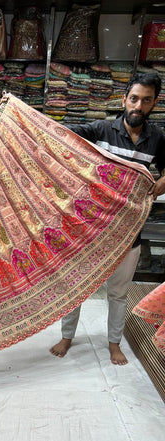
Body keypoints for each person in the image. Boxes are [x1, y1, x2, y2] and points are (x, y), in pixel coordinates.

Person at [50, 73, 165, 365]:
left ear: (154, 103)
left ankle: (114, 344)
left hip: (130, 232)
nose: (139, 106)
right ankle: (66, 337)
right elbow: (56, 131)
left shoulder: (158, 139)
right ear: (124, 99)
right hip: (92, 230)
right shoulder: (101, 130)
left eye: (146, 100)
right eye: (134, 98)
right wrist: (18, 113)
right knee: (75, 287)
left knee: (118, 292)